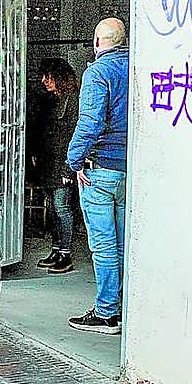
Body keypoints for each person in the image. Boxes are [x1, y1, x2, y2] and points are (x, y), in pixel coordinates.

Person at [65, 18, 129, 334]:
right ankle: (123, 308)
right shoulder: (139, 65)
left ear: (97, 41)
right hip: (130, 171)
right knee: (122, 244)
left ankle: (106, 314)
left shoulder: (98, 72)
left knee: (103, 246)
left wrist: (74, 162)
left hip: (100, 170)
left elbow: (89, 123)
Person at [32, 58, 80, 274]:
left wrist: (68, 168)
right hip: (47, 162)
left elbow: (72, 136)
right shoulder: (50, 101)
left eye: (48, 77)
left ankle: (65, 254)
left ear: (59, 78)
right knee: (52, 209)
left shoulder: (73, 102)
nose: (44, 81)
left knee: (62, 209)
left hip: (62, 163)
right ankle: (56, 250)